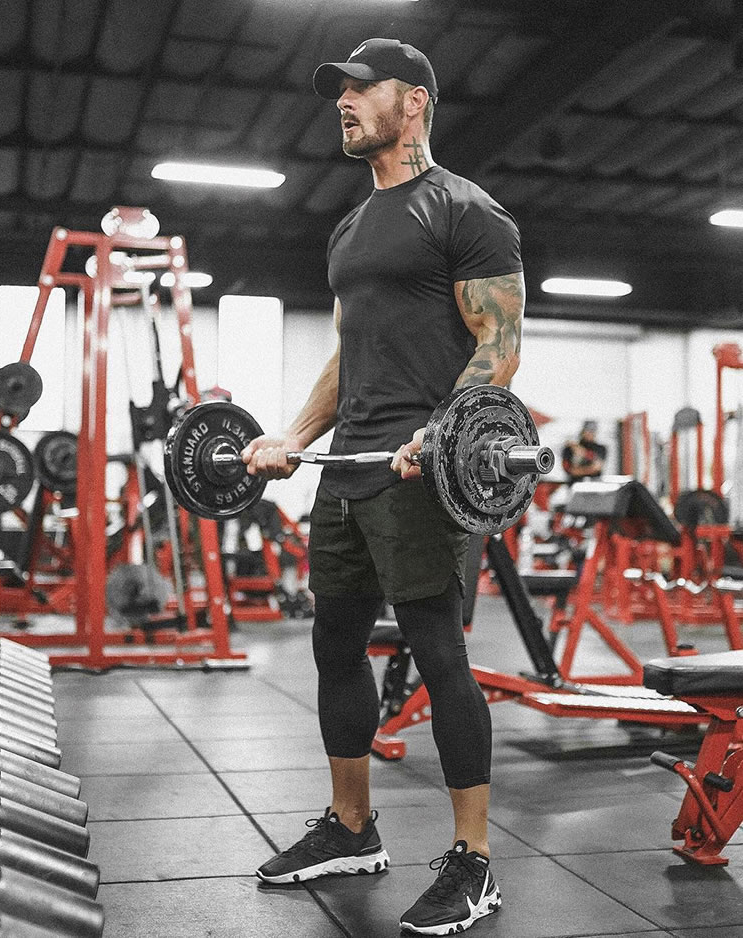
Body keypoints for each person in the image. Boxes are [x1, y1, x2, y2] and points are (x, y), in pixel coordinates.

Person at [243, 37, 524, 935]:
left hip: (421, 468)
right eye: (341, 91)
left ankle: (474, 860)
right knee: (335, 642)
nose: (345, 101)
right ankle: (352, 827)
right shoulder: (351, 228)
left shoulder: (466, 210)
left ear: (415, 103)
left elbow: (499, 345)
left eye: (363, 88)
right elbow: (347, 353)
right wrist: (294, 436)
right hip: (350, 466)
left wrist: (441, 433)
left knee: (439, 653)